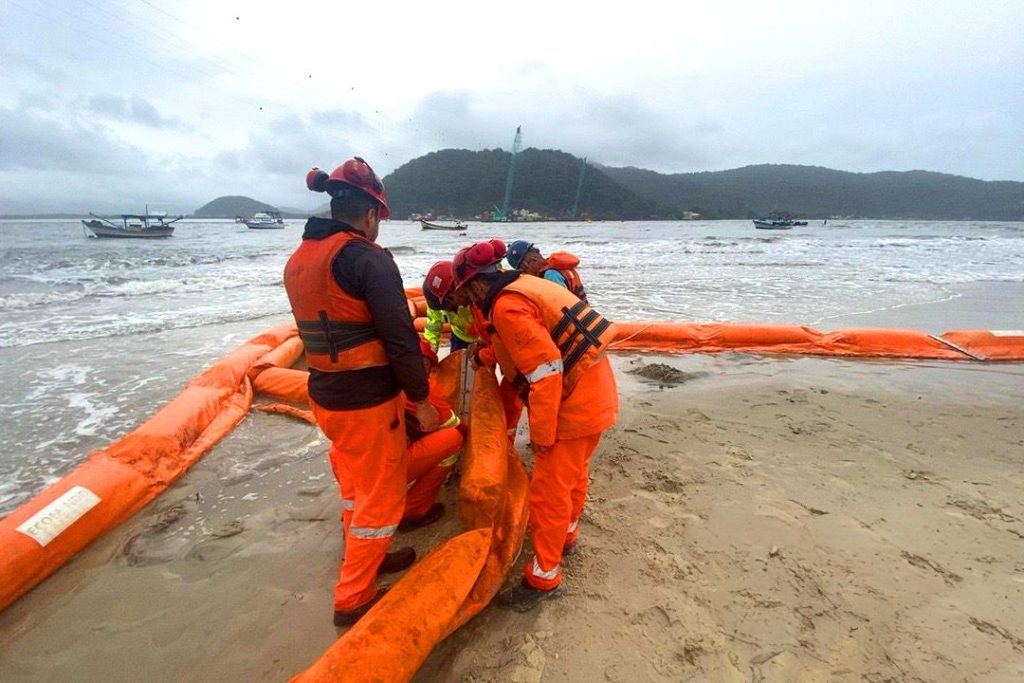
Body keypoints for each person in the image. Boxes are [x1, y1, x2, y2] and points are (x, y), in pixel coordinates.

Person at [283, 156, 441, 627]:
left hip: (326, 395)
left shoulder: (300, 258)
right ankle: (354, 595)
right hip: (368, 401)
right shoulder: (367, 258)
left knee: (354, 488)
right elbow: (398, 337)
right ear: (371, 213)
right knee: (381, 497)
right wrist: (422, 400)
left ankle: (366, 557)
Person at [452, 240, 619, 610]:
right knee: (573, 476)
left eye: (463, 294)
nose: (464, 303)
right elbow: (514, 343)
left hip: (574, 405)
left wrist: (542, 436)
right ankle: (568, 534)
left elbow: (546, 370)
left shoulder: (507, 305)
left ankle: (544, 576)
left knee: (546, 492)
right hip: (596, 393)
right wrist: (483, 356)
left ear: (474, 284)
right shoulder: (522, 287)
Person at [402, 336, 464, 525]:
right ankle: (414, 510)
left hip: (350, 465)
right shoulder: (424, 390)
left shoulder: (378, 381)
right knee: (453, 439)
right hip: (387, 466)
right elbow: (453, 424)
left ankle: (358, 512)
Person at [422, 260, 480, 353]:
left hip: (485, 338)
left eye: (448, 304)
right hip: (460, 337)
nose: (447, 309)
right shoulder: (436, 302)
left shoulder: (475, 296)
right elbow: (432, 328)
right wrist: (430, 351)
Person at [505, 240, 588, 302]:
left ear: (533, 260)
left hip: (576, 321)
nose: (527, 275)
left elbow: (561, 304)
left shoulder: (550, 275)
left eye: (524, 270)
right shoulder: (560, 267)